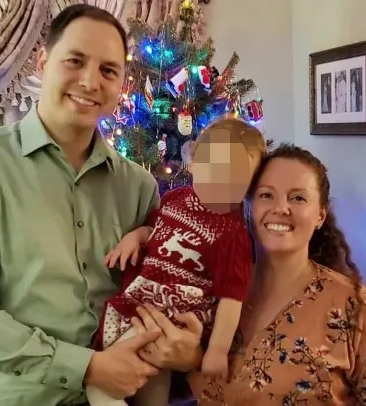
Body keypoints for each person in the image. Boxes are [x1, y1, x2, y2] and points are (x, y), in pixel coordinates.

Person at [0, 5, 200, 406]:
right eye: (75, 61)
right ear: (42, 62)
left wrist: (188, 350)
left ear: (121, 84)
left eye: (108, 70)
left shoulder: (139, 187)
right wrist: (87, 367)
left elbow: (154, 295)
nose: (90, 81)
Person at [133, 143, 366, 405]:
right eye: (266, 195)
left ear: (320, 214)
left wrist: (194, 360)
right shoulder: (208, 291)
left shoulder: (360, 314)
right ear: (249, 205)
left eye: (298, 198)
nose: (281, 208)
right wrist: (190, 359)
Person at [86, 118, 267, 406]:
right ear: (193, 162)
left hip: (177, 316)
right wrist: (136, 237)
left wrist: (217, 350)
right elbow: (157, 229)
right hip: (145, 305)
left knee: (105, 385)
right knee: (143, 384)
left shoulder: (231, 232)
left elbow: (232, 296)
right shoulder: (176, 198)